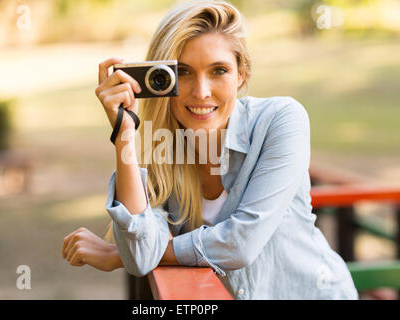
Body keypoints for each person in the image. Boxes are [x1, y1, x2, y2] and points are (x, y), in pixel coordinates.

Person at [62, 0, 359, 300]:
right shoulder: (163, 155)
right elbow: (140, 256)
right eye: (185, 73)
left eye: (218, 70)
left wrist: (120, 255)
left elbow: (240, 244)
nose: (201, 91)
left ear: (241, 74)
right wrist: (124, 133)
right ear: (161, 81)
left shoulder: (281, 120)